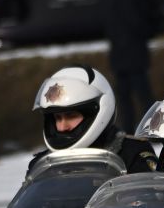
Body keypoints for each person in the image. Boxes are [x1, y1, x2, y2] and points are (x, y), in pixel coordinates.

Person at [27, 66, 157, 171]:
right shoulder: (43, 165)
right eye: (57, 118)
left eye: (71, 116)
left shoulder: (131, 155)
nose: (62, 127)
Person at [102, 0, 161, 127]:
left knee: (140, 92)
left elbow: (135, 19)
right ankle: (132, 127)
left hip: (130, 49)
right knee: (126, 93)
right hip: (123, 50)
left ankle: (150, 126)